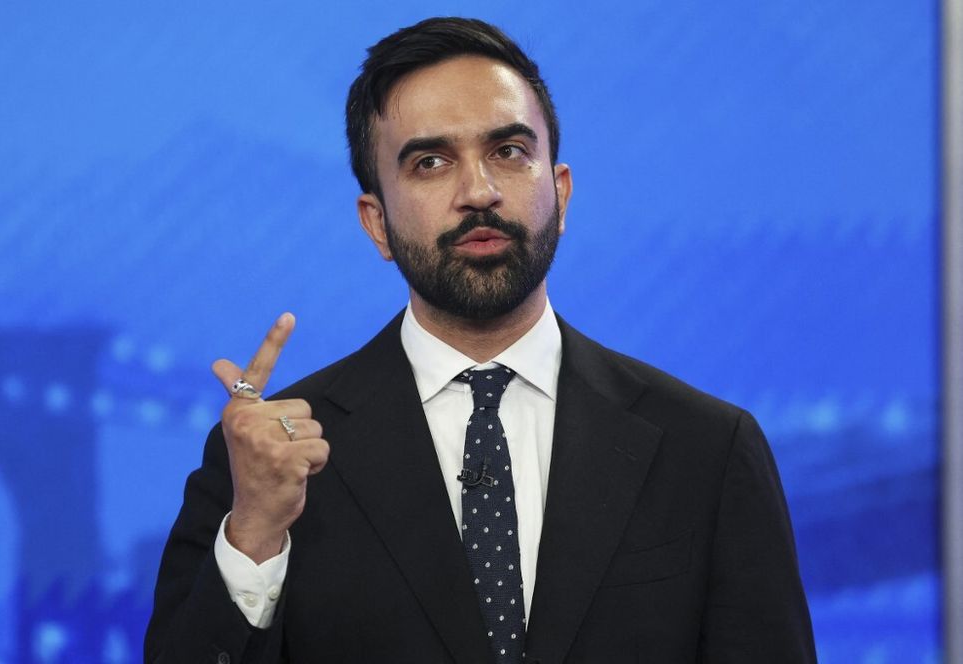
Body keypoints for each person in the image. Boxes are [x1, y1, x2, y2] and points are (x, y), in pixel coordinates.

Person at [145, 17, 816, 664]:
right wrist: (255, 535)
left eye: (509, 151)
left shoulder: (706, 450)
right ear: (376, 223)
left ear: (561, 193)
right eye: (431, 161)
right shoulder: (266, 462)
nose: (480, 191)